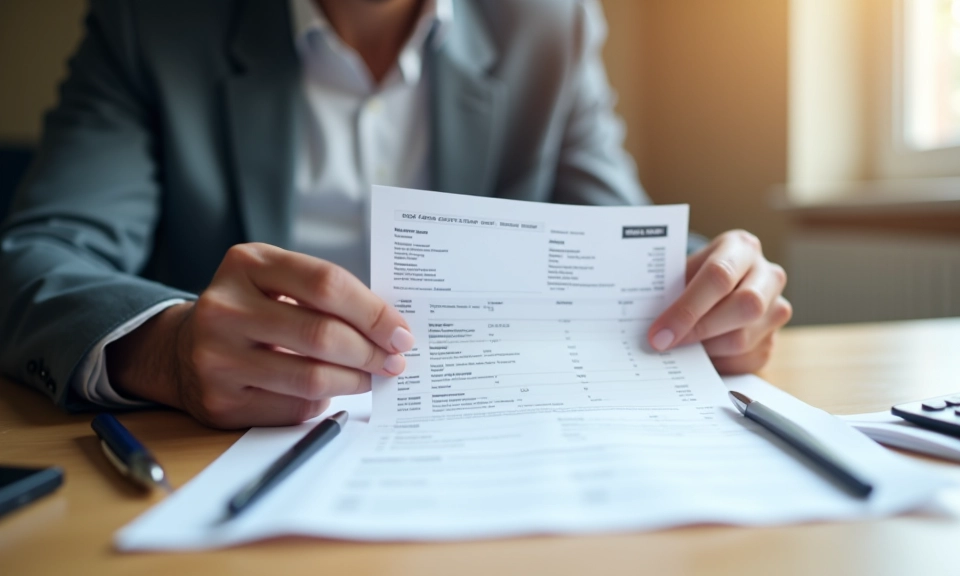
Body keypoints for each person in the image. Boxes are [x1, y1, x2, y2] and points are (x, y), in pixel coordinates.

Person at [0, 0, 791, 429]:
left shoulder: (549, 21)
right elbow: (34, 257)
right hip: (225, 448)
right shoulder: (151, 24)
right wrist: (165, 349)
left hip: (484, 444)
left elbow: (615, 231)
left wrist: (714, 287)